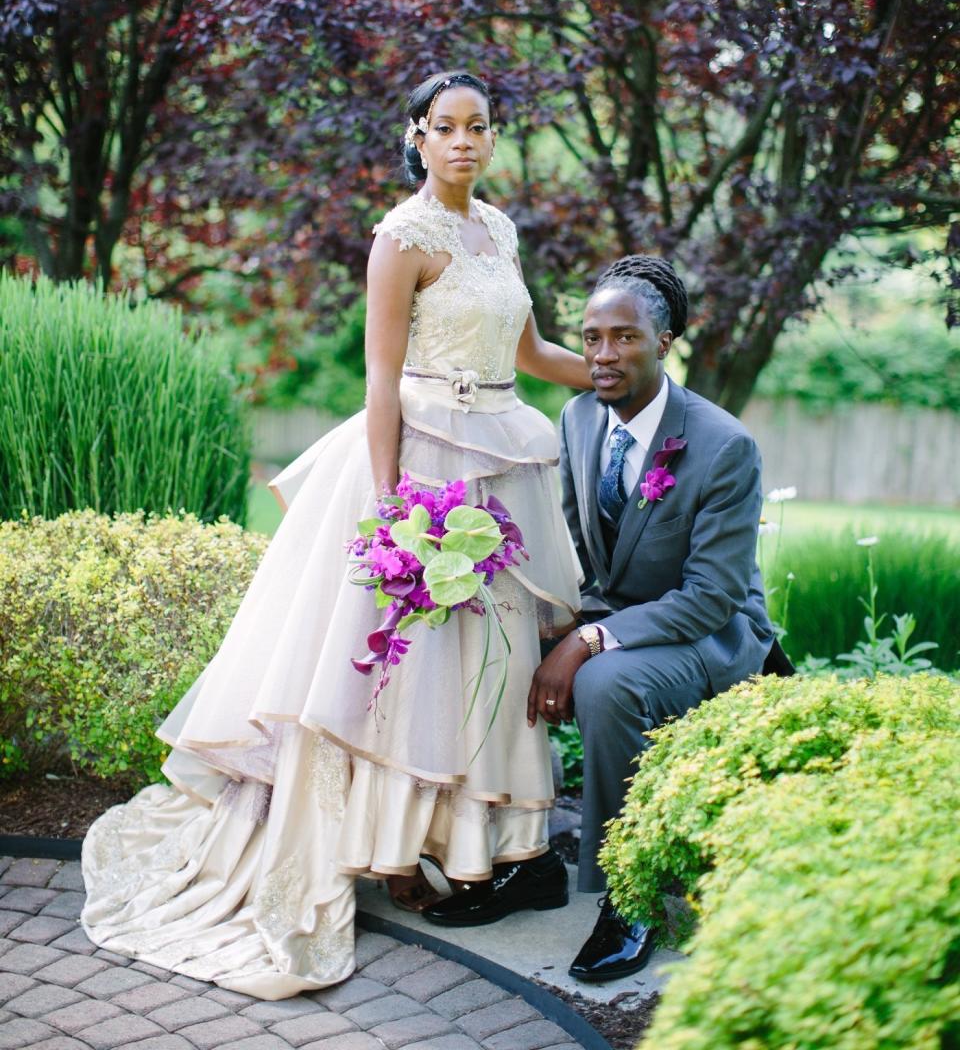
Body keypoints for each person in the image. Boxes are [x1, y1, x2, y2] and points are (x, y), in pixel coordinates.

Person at [80, 70, 591, 1000]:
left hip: (503, 459)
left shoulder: (500, 230)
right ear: (419, 136)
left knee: (489, 657)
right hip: (424, 463)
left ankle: (456, 842)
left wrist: (605, 368)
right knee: (409, 662)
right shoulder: (401, 239)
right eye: (448, 128)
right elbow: (380, 378)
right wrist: (395, 506)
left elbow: (528, 352)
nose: (466, 143)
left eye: (480, 127)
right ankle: (389, 852)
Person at [426, 254, 780, 983]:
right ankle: (515, 855)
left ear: (666, 341)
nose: (603, 355)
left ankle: (633, 893)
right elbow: (575, 548)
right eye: (591, 338)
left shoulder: (723, 446)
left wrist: (588, 640)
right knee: (487, 641)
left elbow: (712, 596)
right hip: (620, 613)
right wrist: (550, 620)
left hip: (709, 631)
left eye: (624, 338)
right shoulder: (580, 416)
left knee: (605, 686)